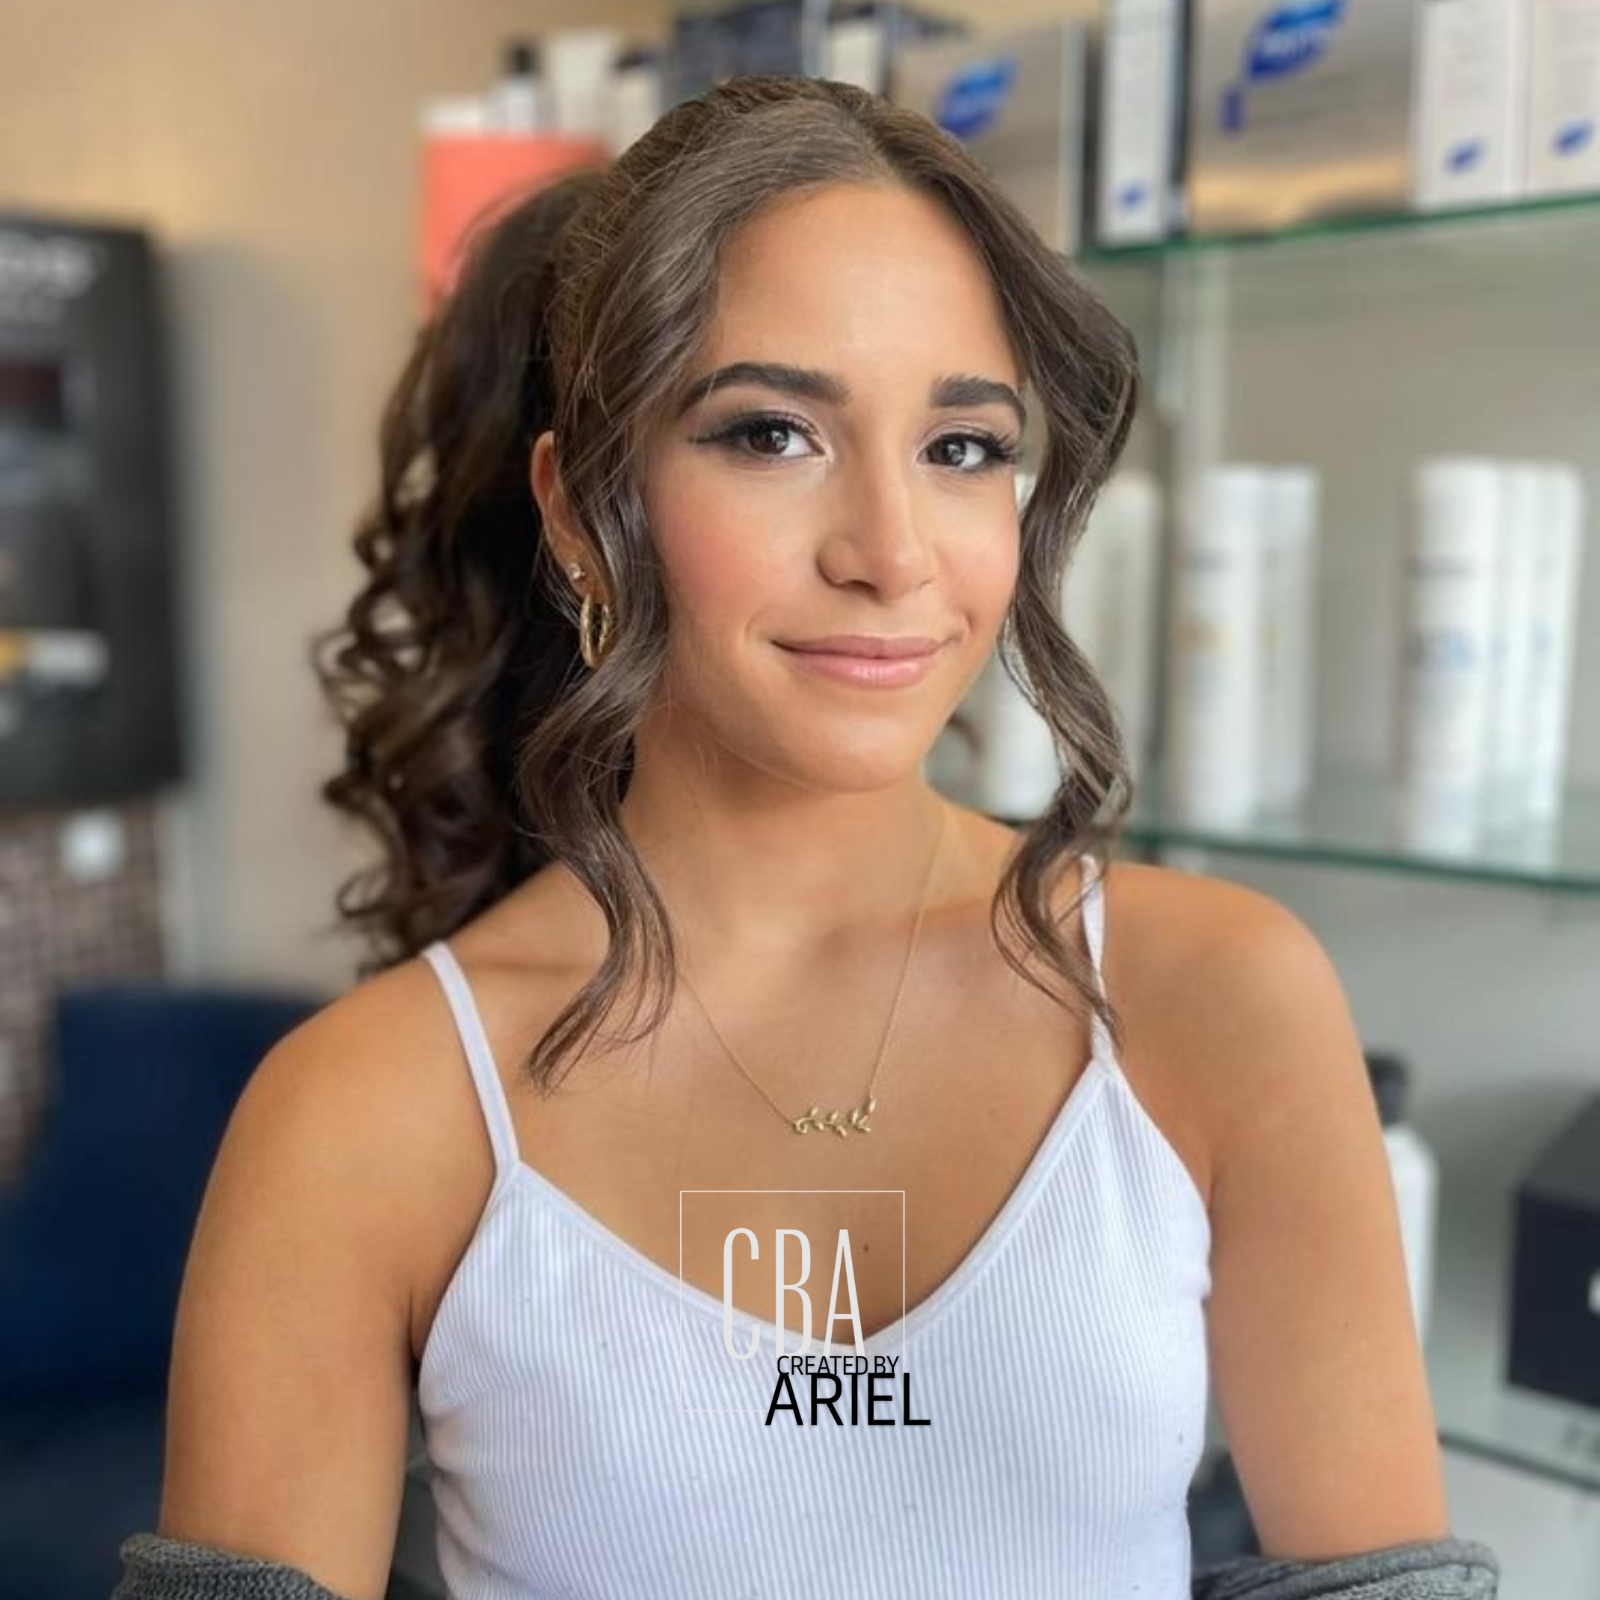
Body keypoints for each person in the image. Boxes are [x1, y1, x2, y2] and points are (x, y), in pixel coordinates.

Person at [121, 73, 1493, 1600]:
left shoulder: (1216, 999)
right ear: (580, 510)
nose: (892, 555)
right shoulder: (366, 1115)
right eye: (771, 433)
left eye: (963, 447)